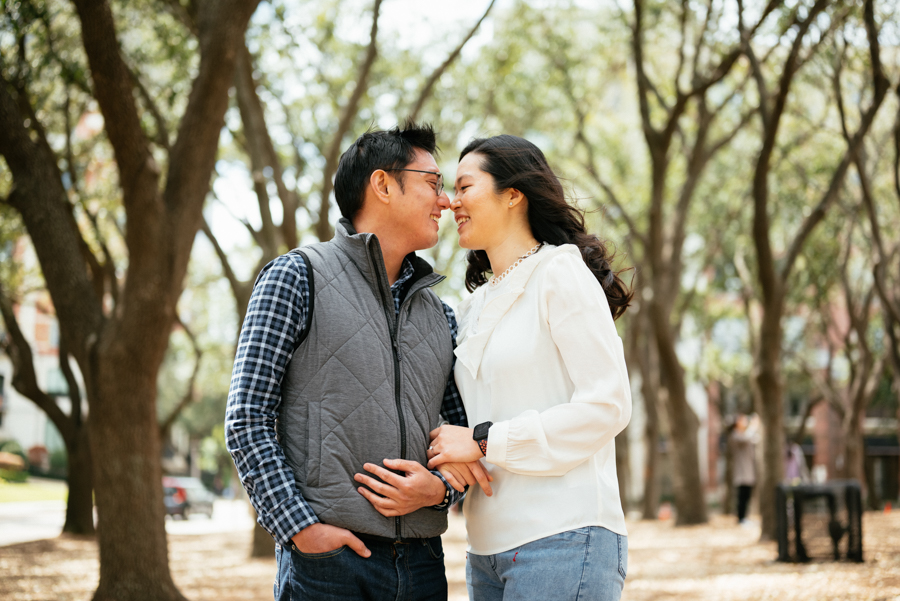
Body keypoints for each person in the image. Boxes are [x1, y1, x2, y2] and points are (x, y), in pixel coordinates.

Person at [225, 122, 491, 601]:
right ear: (383, 185)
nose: (447, 201)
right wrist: (300, 530)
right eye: (432, 183)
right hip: (327, 565)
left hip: (424, 566)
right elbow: (247, 418)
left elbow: (461, 434)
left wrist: (440, 491)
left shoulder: (442, 317)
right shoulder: (296, 276)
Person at [424, 135, 633, 601]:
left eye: (465, 187)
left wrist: (482, 439)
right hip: (485, 550)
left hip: (564, 537)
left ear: (513, 194)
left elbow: (608, 405)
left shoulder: (559, 272)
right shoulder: (470, 308)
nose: (451, 202)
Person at [731, 413, 760, 525]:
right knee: (742, 496)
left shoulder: (745, 435)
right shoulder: (736, 435)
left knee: (747, 496)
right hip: (741, 473)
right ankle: (741, 518)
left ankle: (744, 518)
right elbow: (747, 437)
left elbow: (755, 438)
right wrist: (753, 425)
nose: (745, 422)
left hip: (748, 472)